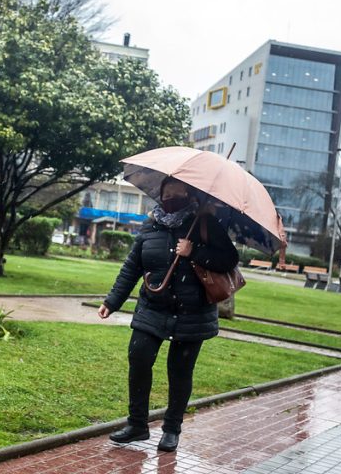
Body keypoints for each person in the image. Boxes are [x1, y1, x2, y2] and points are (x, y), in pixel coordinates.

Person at [98, 177, 239, 452]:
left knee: (180, 371)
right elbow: (132, 265)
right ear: (160, 193)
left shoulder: (205, 223)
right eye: (167, 191)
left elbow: (229, 260)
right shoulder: (152, 224)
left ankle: (172, 429)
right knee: (138, 358)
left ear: (190, 194)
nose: (171, 196)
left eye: (178, 191)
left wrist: (194, 251)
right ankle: (137, 425)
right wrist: (112, 301)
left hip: (192, 312)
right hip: (152, 306)